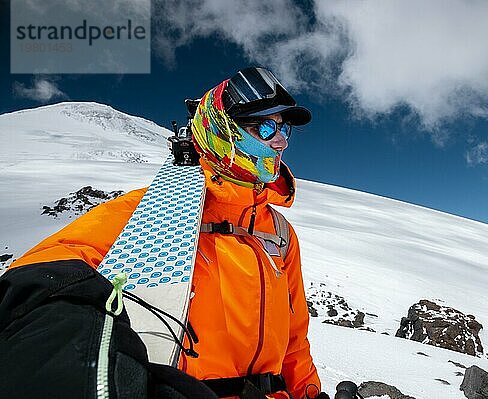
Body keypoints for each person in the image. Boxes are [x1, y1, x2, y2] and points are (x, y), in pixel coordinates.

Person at [0, 67, 324, 399]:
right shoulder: (152, 207)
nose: (282, 141)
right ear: (221, 130)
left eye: (283, 128)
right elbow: (41, 279)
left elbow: (295, 339)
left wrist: (309, 392)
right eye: (266, 128)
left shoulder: (280, 233)